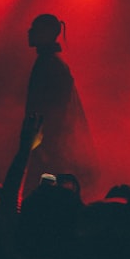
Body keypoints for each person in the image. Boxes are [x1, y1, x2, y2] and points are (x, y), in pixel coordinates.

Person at [24, 13, 99, 198]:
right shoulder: (50, 62)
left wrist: (45, 145)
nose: (29, 31)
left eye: (35, 27)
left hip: (49, 145)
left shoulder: (50, 64)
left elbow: (57, 110)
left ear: (47, 32)